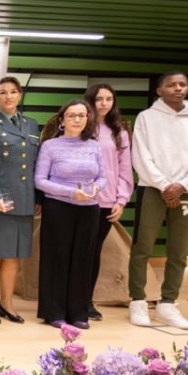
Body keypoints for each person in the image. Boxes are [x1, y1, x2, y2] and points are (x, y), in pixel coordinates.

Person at [128, 72, 188, 329]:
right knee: (142, 247)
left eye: (182, 84)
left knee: (179, 250)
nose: (178, 88)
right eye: (171, 85)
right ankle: (138, 301)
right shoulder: (146, 118)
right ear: (159, 90)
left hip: (187, 189)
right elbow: (140, 154)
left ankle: (168, 304)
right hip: (153, 188)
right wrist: (165, 185)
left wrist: (183, 184)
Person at [0, 76, 40, 325]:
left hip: (24, 200)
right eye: (3, 92)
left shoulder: (31, 125)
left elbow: (36, 165)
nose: (8, 96)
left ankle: (7, 303)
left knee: (13, 256)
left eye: (13, 92)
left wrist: (38, 197)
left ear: (20, 95)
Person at [34, 100, 105, 329]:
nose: (77, 119)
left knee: (83, 260)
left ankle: (79, 313)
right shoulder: (50, 146)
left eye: (82, 116)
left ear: (87, 119)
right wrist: (71, 193)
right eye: (72, 115)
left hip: (89, 209)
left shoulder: (94, 146)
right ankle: (54, 312)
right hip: (59, 208)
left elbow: (102, 177)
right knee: (58, 258)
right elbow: (40, 181)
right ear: (62, 119)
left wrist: (96, 188)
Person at [83, 83, 133, 321]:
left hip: (105, 201)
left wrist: (121, 200)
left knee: (92, 253)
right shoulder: (80, 124)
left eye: (109, 99)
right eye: (99, 99)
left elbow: (125, 169)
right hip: (78, 199)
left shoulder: (119, 131)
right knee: (77, 252)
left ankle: (86, 300)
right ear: (90, 101)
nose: (104, 103)